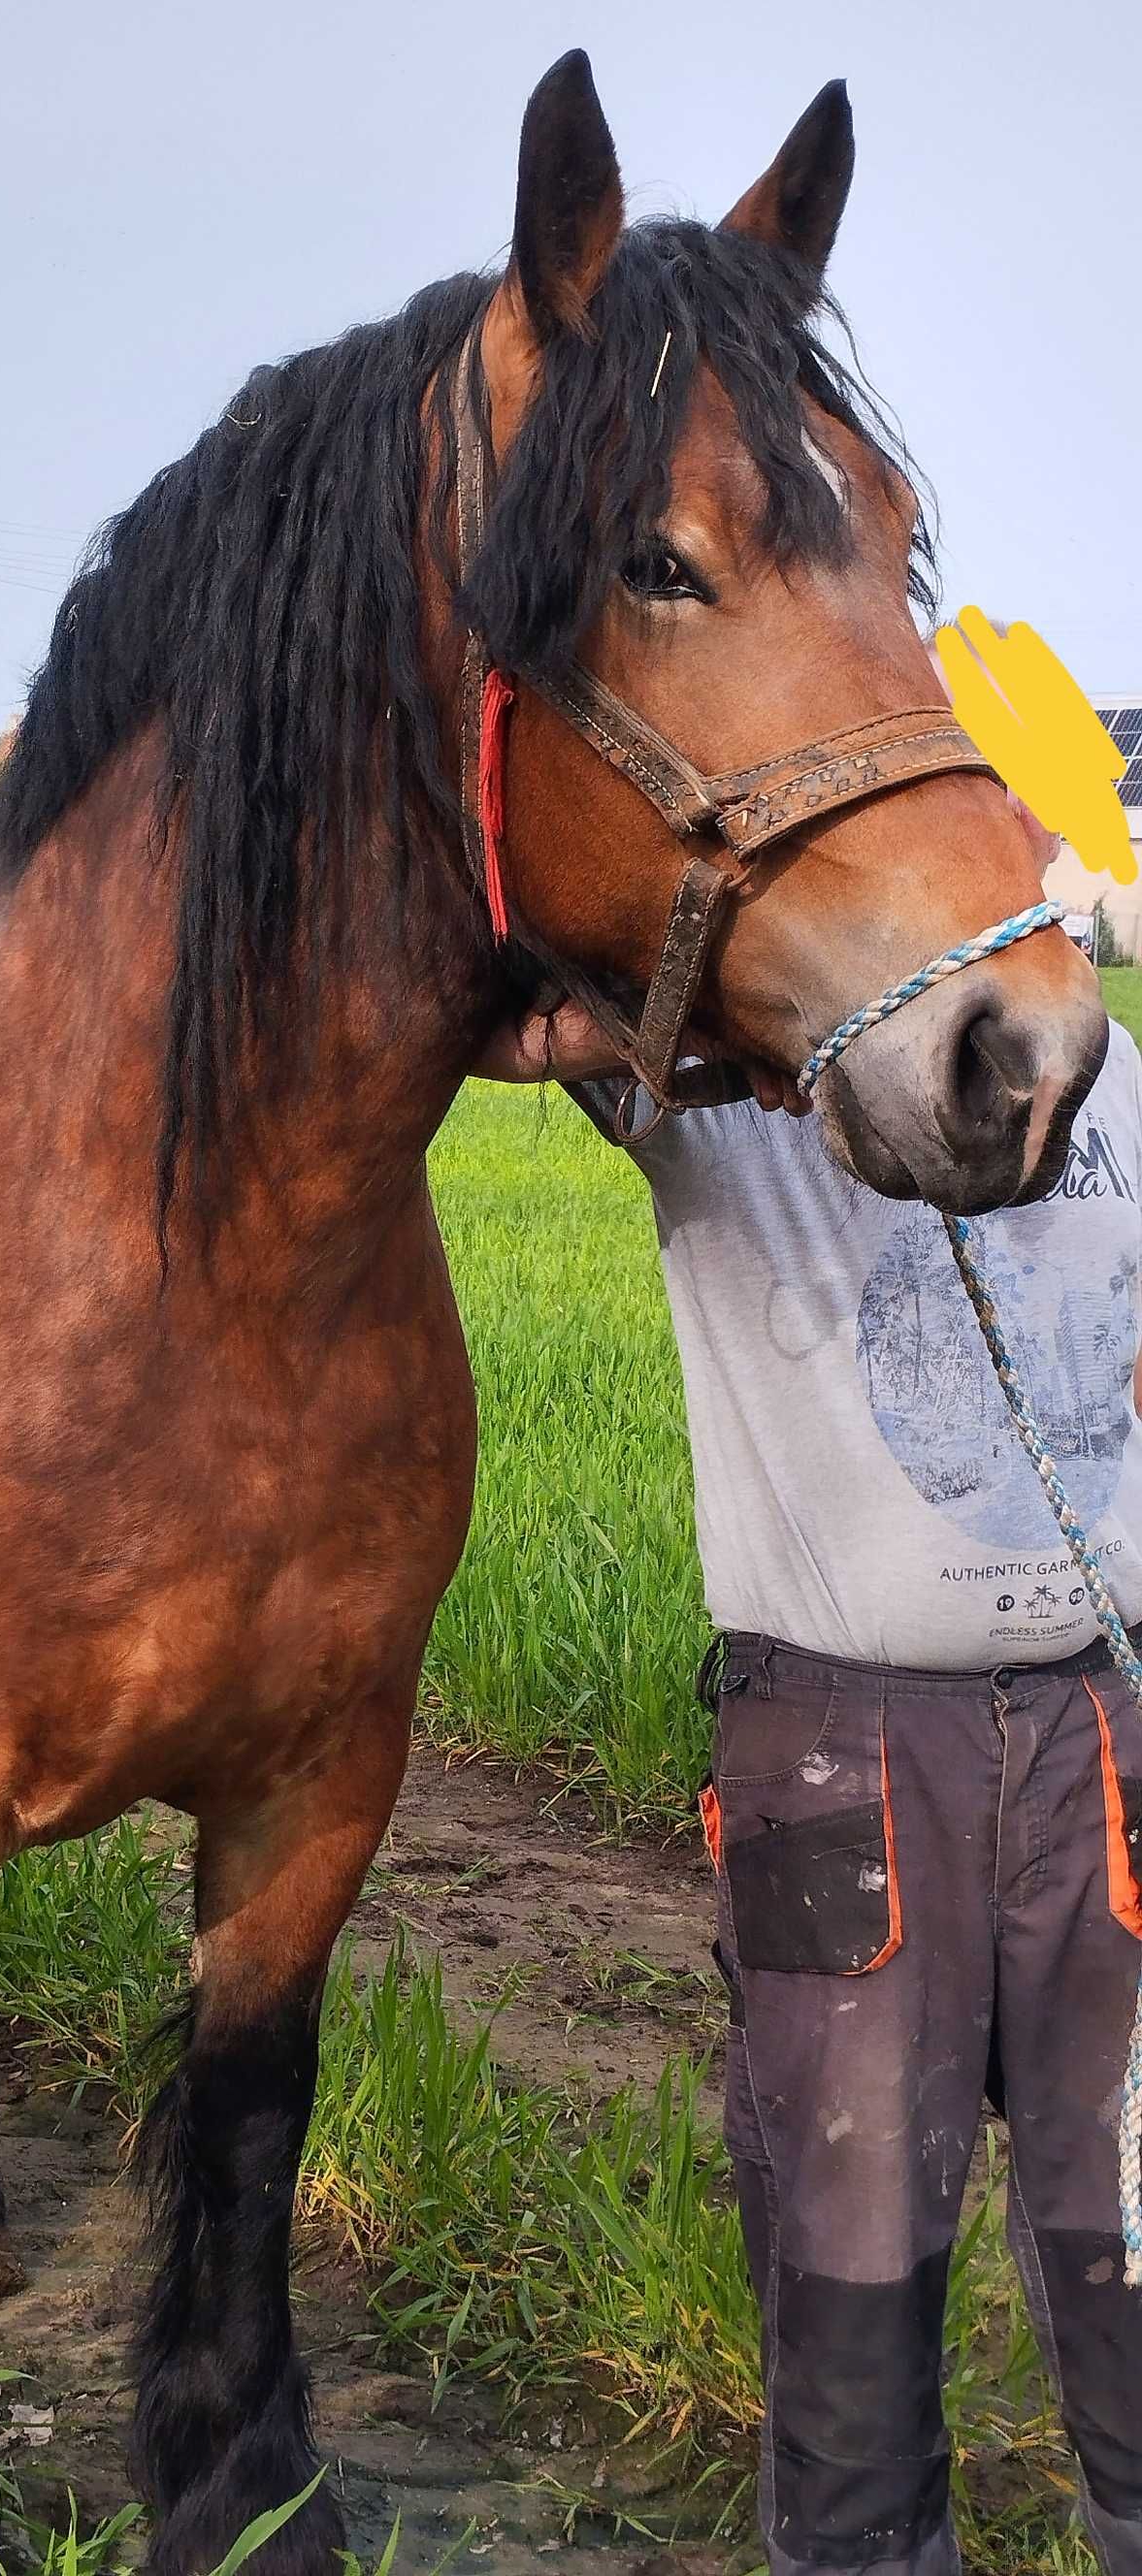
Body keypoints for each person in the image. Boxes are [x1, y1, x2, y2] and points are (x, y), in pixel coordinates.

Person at [478, 882, 1142, 2571]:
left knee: (1132, 2245)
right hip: (849, 1768)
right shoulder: (720, 1101)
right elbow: (499, 982)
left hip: (1114, 1748)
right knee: (853, 2273)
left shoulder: (1093, 1062)